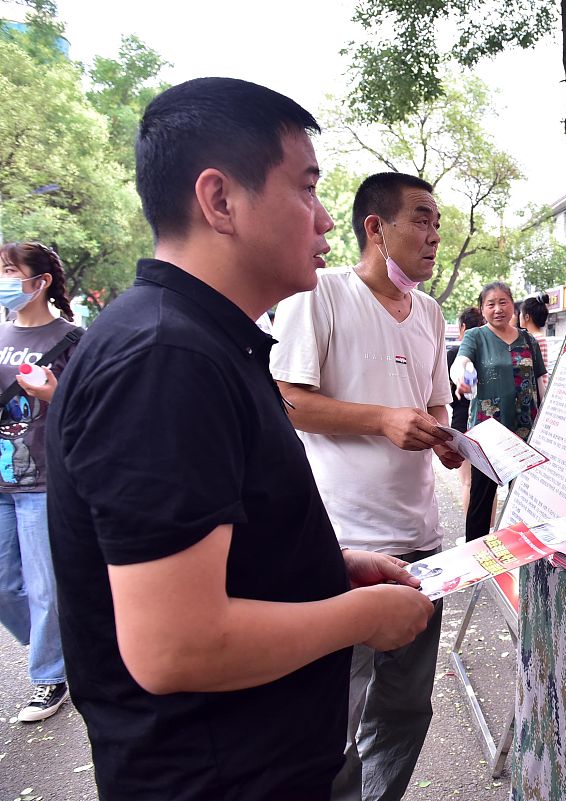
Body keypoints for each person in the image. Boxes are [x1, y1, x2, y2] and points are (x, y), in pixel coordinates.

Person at [46, 77, 435, 801]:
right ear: (220, 200)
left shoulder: (207, 341)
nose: (325, 219)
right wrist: (361, 616)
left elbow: (212, 549)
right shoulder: (165, 358)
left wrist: (327, 567)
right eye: (307, 188)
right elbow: (176, 645)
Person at [271, 171, 462, 800]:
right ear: (375, 228)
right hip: (343, 542)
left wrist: (449, 441)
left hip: (421, 542)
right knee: (333, 716)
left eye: (438, 223)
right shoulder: (319, 293)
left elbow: (434, 407)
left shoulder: (429, 312)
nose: (435, 236)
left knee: (405, 707)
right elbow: (286, 401)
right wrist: (381, 420)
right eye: (422, 219)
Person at [0, 241, 81, 723]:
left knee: (44, 586)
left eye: (9, 271)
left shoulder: (72, 339)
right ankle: (64, 643)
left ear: (40, 281)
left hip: (45, 479)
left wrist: (55, 393)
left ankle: (50, 675)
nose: (3, 281)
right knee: (5, 585)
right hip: (1, 478)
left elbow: (93, 406)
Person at [453, 282, 546, 540]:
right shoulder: (476, 337)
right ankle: (475, 553)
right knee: (481, 500)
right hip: (488, 434)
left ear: (512, 305)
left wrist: (546, 419)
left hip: (525, 432)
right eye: (490, 304)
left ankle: (526, 552)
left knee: (525, 498)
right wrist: (462, 378)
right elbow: (462, 363)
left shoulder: (528, 340)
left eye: (503, 302)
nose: (497, 309)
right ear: (482, 309)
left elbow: (540, 381)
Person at [449, 306, 485, 511]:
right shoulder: (486, 353)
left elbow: (446, 393)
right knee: (487, 485)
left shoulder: (453, 354)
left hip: (462, 423)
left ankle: (472, 529)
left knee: (468, 483)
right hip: (487, 424)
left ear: (463, 327)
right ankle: (488, 528)